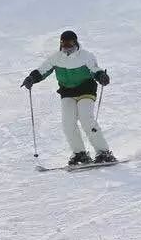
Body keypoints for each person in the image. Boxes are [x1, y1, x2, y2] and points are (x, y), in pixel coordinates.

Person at [21, 30, 116, 166]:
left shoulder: (86, 56)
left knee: (85, 117)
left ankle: (103, 152)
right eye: (63, 43)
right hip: (67, 92)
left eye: (70, 42)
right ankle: (80, 153)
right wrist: (31, 78)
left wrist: (101, 76)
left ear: (75, 42)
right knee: (67, 122)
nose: (66, 45)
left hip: (86, 90)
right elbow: (42, 70)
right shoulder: (56, 58)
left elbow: (95, 70)